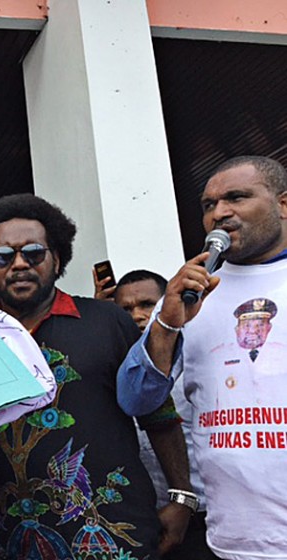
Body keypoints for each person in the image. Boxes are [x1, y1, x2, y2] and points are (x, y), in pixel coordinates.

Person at [0, 193, 190, 560]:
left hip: (116, 541)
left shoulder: (107, 321)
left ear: (57, 259)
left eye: (33, 253)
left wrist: (182, 497)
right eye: (3, 257)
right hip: (15, 546)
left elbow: (158, 414)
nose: (18, 264)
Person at [118, 155, 287, 560]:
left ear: (283, 204)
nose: (220, 213)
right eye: (209, 205)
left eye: (237, 198)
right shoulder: (188, 295)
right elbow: (136, 398)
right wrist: (168, 325)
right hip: (232, 541)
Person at [97, 269, 216, 559]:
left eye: (147, 305)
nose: (136, 315)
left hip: (204, 512)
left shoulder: (197, 354)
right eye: (125, 309)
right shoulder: (113, 364)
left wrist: (184, 498)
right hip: (146, 517)